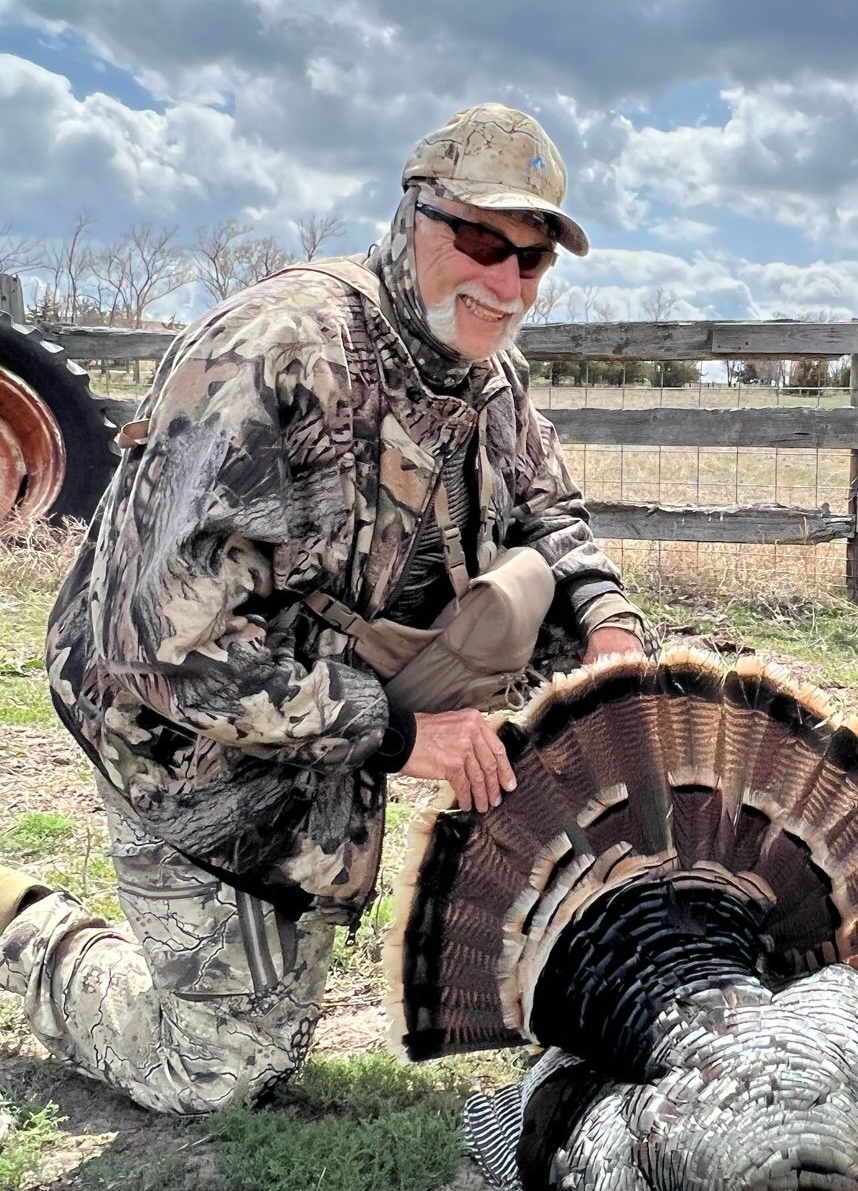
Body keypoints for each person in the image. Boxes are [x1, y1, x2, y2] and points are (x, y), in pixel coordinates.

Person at [0, 104, 646, 1116]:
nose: (506, 281)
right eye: (480, 239)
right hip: (177, 730)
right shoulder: (277, 351)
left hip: (327, 700)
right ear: (413, 214)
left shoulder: (485, 372)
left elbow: (548, 513)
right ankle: (24, 929)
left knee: (575, 635)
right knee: (224, 1067)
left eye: (532, 260)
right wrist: (399, 735)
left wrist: (611, 633)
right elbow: (163, 649)